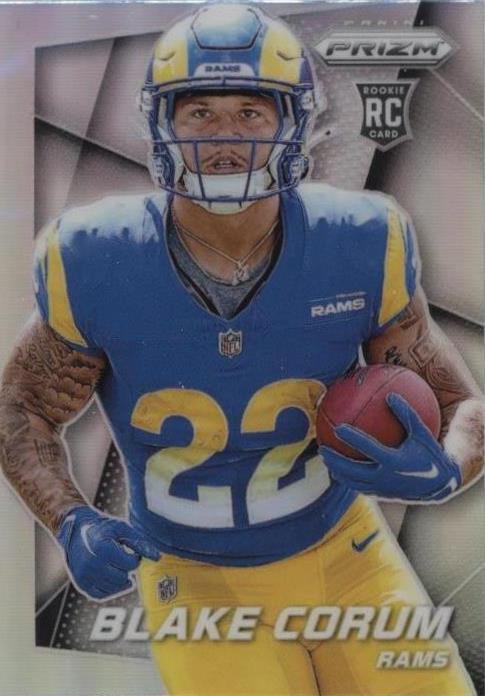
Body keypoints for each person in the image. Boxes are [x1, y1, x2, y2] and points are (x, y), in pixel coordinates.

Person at [0, 4, 483, 694]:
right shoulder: (95, 259)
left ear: (295, 123)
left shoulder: (359, 242)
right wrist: (70, 520)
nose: (224, 138)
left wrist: (446, 469)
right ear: (160, 124)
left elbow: (462, 405)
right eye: (199, 112)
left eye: (251, 113)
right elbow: (20, 408)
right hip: (197, 579)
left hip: (345, 555)